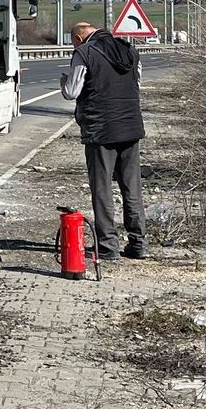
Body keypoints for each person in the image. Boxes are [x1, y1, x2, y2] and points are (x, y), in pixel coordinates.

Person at [61, 20, 146, 260]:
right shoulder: (130, 50)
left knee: (102, 189)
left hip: (100, 130)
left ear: (78, 38)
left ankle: (108, 246)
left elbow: (71, 92)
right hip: (130, 127)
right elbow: (137, 84)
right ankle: (138, 244)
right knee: (132, 188)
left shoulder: (84, 52)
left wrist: (63, 81)